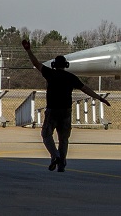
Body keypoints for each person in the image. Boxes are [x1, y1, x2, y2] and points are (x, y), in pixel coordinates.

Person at [21, 39, 111, 172]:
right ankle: (61, 164)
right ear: (66, 65)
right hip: (66, 111)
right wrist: (100, 98)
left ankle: (55, 155)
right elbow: (85, 89)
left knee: (46, 134)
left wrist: (28, 50)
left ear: (54, 65)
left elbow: (36, 63)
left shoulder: (50, 73)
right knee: (63, 139)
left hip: (52, 110)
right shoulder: (71, 77)